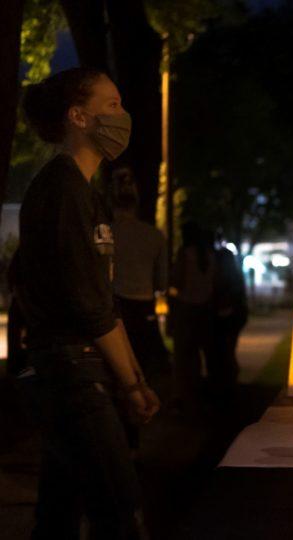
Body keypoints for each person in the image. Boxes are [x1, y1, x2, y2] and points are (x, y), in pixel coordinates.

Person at [12, 67, 159, 539]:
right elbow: (87, 305)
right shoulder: (62, 192)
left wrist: (133, 377)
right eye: (111, 106)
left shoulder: (85, 194)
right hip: (71, 375)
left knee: (58, 514)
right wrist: (132, 386)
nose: (124, 116)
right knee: (119, 512)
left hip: (76, 370)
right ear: (78, 117)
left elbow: (102, 301)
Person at [112, 167, 169, 386]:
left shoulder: (105, 232)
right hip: (144, 304)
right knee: (144, 362)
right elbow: (162, 281)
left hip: (116, 304)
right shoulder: (153, 236)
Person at [169, 222, 215, 415]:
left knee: (184, 357)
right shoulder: (210, 256)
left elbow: (177, 280)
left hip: (187, 308)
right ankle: (201, 398)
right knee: (200, 355)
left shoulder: (185, 254)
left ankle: (186, 399)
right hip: (206, 310)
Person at [208, 239, 248, 409]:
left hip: (227, 318)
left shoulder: (221, 279)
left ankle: (226, 387)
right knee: (228, 351)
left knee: (224, 352)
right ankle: (229, 385)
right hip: (235, 318)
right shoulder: (236, 277)